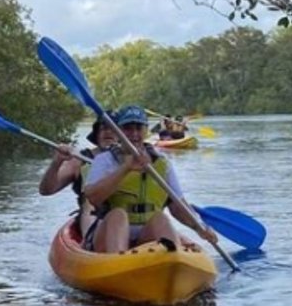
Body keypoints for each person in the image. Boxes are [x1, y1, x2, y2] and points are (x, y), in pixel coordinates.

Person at [83, 105, 217, 253]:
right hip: (110, 233)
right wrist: (126, 169)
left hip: (146, 235)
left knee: (161, 219)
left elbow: (178, 206)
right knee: (118, 215)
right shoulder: (104, 160)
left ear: (146, 131)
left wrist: (199, 227)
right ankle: (118, 259)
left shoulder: (161, 162)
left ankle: (172, 258)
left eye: (138, 128)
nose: (134, 134)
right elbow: (93, 198)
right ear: (118, 131)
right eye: (128, 128)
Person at [38, 111, 118, 239]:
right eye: (104, 128)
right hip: (93, 217)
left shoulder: (132, 160)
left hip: (123, 215)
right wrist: (56, 162)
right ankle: (89, 241)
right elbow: (46, 190)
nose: (108, 132)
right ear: (97, 134)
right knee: (89, 203)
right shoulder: (79, 160)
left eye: (114, 129)